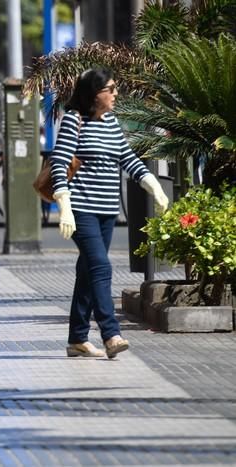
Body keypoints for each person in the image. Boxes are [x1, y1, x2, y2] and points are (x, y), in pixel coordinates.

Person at [50, 67, 169, 359]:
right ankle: (111, 333)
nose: (116, 94)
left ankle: (77, 339)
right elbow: (59, 163)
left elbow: (127, 158)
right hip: (81, 209)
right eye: (111, 89)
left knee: (88, 272)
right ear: (95, 94)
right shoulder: (74, 121)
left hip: (106, 211)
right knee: (101, 267)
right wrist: (64, 205)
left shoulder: (112, 123)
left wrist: (153, 185)